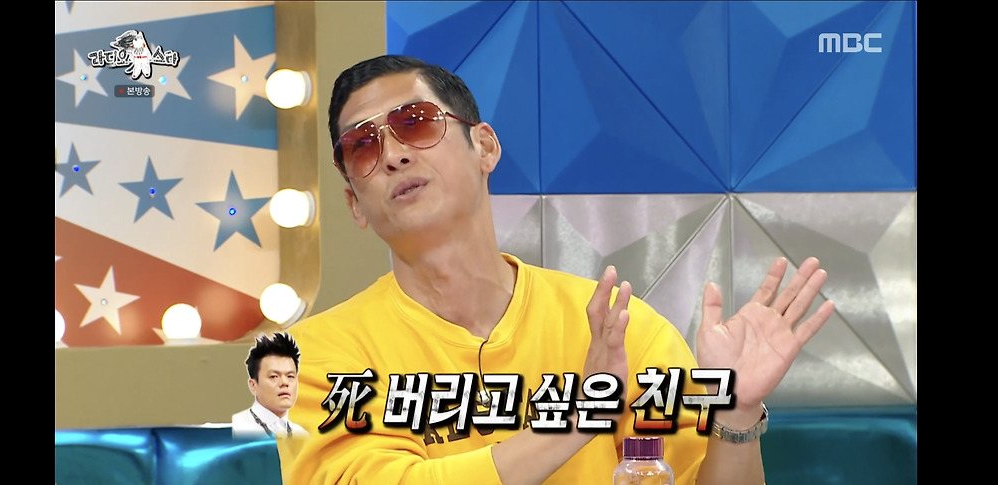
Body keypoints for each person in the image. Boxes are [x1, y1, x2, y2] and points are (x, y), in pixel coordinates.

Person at [286, 54, 835, 485]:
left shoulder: (620, 329)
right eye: (362, 146)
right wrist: (580, 415)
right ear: (354, 203)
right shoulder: (316, 359)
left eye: (415, 122)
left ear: (484, 147)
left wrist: (736, 414)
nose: (393, 155)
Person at [232, 332, 310, 441]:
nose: (284, 382)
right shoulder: (236, 429)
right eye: (274, 376)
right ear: (253, 385)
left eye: (290, 376)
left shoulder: (301, 435)